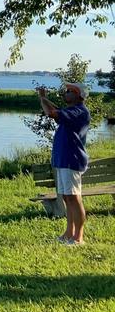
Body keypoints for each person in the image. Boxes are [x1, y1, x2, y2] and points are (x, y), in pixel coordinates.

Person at [37, 82, 92, 245]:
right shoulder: (71, 111)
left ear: (79, 95)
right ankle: (68, 233)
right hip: (63, 160)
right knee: (67, 198)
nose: (65, 93)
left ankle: (78, 237)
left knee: (75, 198)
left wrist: (42, 98)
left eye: (70, 91)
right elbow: (54, 111)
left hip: (71, 160)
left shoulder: (79, 111)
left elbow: (52, 113)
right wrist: (43, 98)